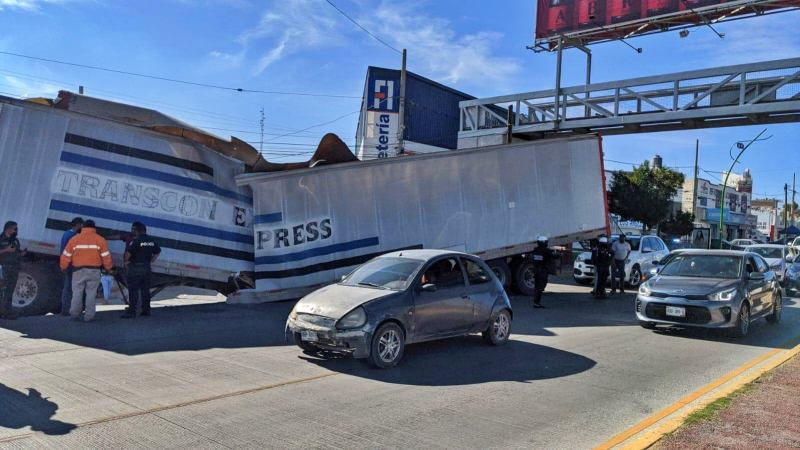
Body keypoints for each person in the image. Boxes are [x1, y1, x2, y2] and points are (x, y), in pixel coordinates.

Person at [60, 220, 112, 322]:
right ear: (94, 228)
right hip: (94, 271)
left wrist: (63, 266)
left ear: (83, 227)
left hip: (78, 271)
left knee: (77, 293)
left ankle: (74, 314)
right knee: (91, 294)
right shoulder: (101, 240)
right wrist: (108, 268)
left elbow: (66, 255)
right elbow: (106, 257)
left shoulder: (74, 239)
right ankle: (89, 316)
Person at [122, 222, 161, 318]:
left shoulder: (136, 241)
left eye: (133, 229)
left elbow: (128, 253)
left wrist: (126, 262)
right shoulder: (151, 240)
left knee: (133, 290)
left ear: (137, 230)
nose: (132, 231)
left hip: (135, 268)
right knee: (145, 290)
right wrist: (151, 260)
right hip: (146, 268)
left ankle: (132, 312)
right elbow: (158, 251)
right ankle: (146, 311)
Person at [59, 217, 84, 316]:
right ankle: (68, 309)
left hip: (67, 262)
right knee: (71, 287)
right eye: (81, 224)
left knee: (68, 286)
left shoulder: (66, 234)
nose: (82, 227)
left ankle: (65, 308)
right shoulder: (73, 236)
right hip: (72, 264)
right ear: (77, 224)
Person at [0, 221, 25, 320]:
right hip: (4, 267)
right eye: (14, 228)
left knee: (9, 291)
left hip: (14, 268)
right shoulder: (1, 239)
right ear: (8, 229)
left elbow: (17, 252)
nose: (16, 230)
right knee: (3, 290)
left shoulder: (15, 240)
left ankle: (7, 313)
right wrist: (6, 250)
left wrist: (22, 254)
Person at [531, 236, 558, 308]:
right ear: (544, 243)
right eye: (546, 242)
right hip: (542, 272)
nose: (547, 243)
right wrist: (559, 254)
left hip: (536, 271)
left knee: (537, 287)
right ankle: (536, 303)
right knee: (540, 287)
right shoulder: (546, 251)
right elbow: (554, 256)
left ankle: (536, 302)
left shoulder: (535, 250)